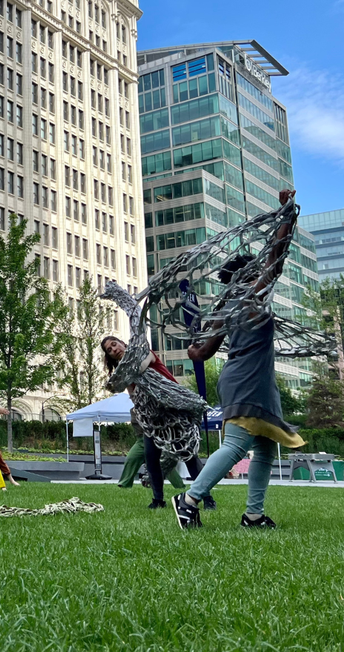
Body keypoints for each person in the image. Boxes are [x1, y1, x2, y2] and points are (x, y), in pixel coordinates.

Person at [173, 189, 303, 530]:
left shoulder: (225, 311)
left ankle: (254, 515)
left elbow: (200, 354)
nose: (261, 275)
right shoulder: (250, 295)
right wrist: (287, 215)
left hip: (254, 381)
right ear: (244, 278)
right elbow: (276, 255)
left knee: (263, 448)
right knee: (236, 445)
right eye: (253, 272)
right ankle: (188, 499)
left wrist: (193, 343)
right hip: (247, 380)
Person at [102, 336, 216, 510]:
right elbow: (134, 397)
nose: (114, 350)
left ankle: (207, 499)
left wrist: (123, 374)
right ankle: (158, 500)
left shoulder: (145, 354)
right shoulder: (124, 374)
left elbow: (141, 368)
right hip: (154, 419)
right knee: (151, 457)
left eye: (114, 345)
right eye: (109, 350)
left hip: (173, 412)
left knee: (188, 455)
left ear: (123, 343)